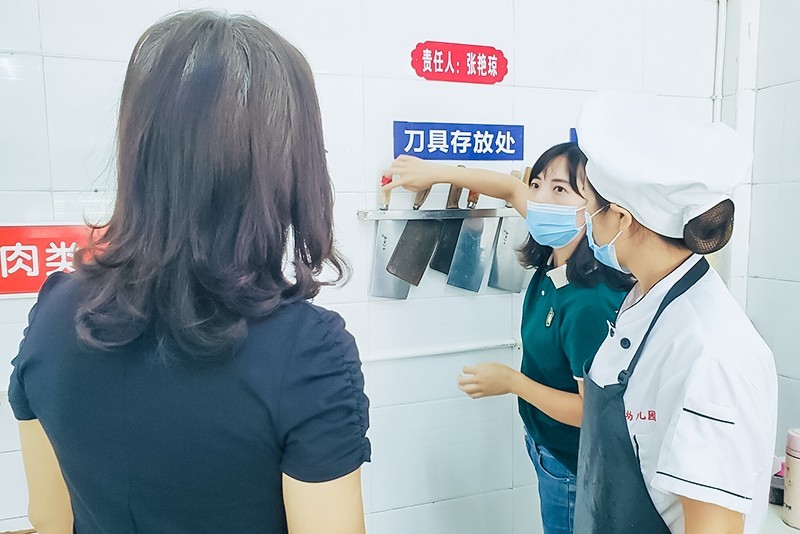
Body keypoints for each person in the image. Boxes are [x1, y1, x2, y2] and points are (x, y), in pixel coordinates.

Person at [8, 11, 370, 534]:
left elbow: (48, 518)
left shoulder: (55, 311)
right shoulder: (307, 351)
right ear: (290, 163)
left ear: (141, 149)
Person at [384, 143, 634, 534]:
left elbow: (592, 411)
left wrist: (513, 383)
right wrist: (436, 173)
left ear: (596, 208)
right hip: (548, 446)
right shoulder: (558, 250)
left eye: (560, 189)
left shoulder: (590, 301)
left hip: (575, 467)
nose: (539, 199)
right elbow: (506, 187)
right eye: (537, 184)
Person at [571, 92, 777, 533]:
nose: (581, 220)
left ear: (621, 218)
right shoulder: (645, 297)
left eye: (587, 206)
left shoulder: (711, 356)